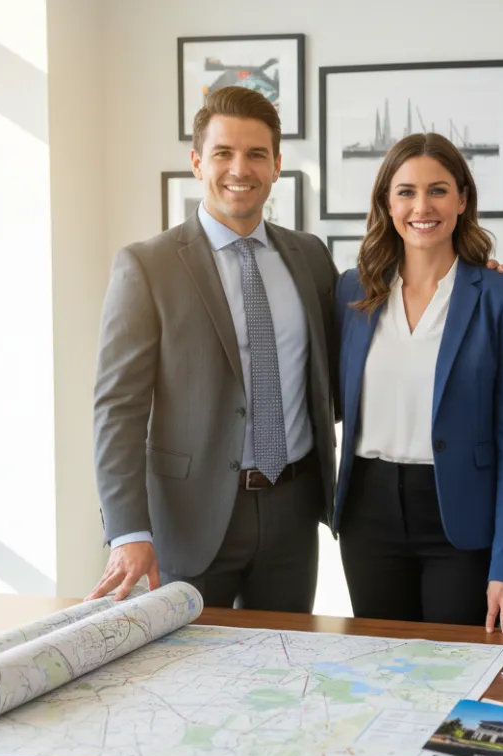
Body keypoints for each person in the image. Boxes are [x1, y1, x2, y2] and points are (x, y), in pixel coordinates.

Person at [87, 86, 339, 608]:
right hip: (188, 517)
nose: (239, 169)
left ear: (276, 166)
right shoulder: (147, 266)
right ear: (198, 162)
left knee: (284, 673)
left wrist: (473, 268)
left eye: (255, 154)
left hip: (292, 513)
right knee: (185, 681)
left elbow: (348, 358)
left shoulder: (310, 257)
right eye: (223, 153)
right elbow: (117, 408)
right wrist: (129, 529)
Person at [334, 133, 503, 634]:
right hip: (368, 516)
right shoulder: (351, 290)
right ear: (387, 201)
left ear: (463, 199)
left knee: (455, 671)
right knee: (379, 667)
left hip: (460, 520)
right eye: (405, 191)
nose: (421, 206)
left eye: (438, 190)